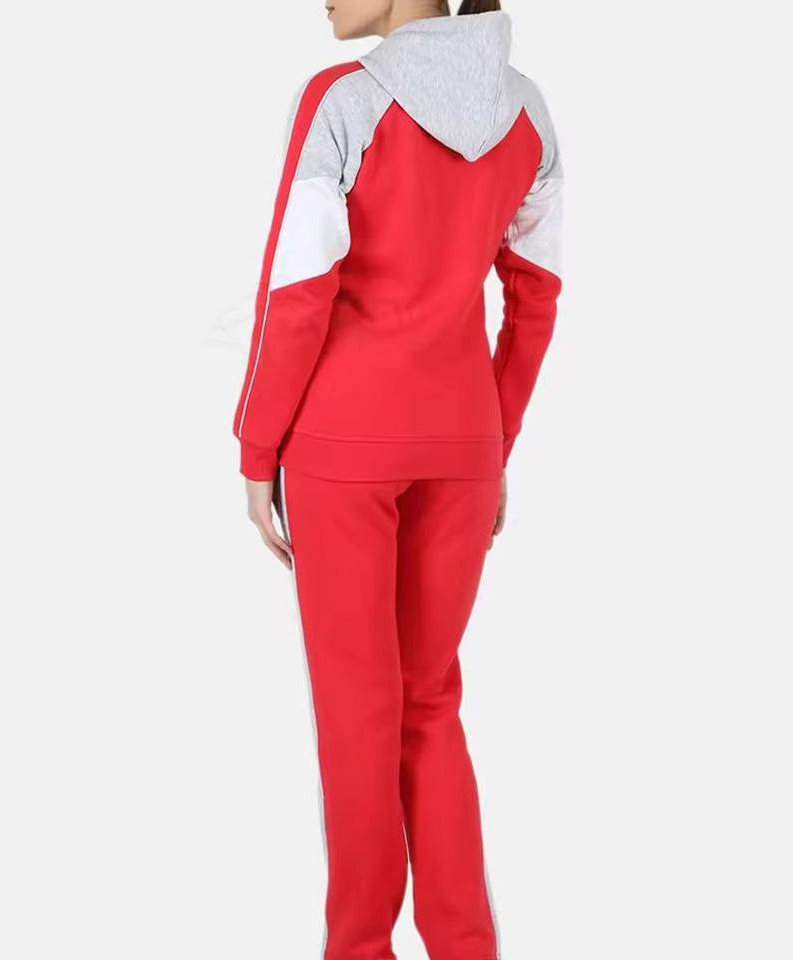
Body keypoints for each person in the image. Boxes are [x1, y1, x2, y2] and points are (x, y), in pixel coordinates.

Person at [232, 1, 563, 957]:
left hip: (343, 448)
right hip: (462, 446)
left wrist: (258, 448)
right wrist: (494, 442)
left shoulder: (343, 100)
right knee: (430, 703)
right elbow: (536, 296)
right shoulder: (527, 112)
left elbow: (298, 296)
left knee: (359, 712)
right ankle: (465, 946)